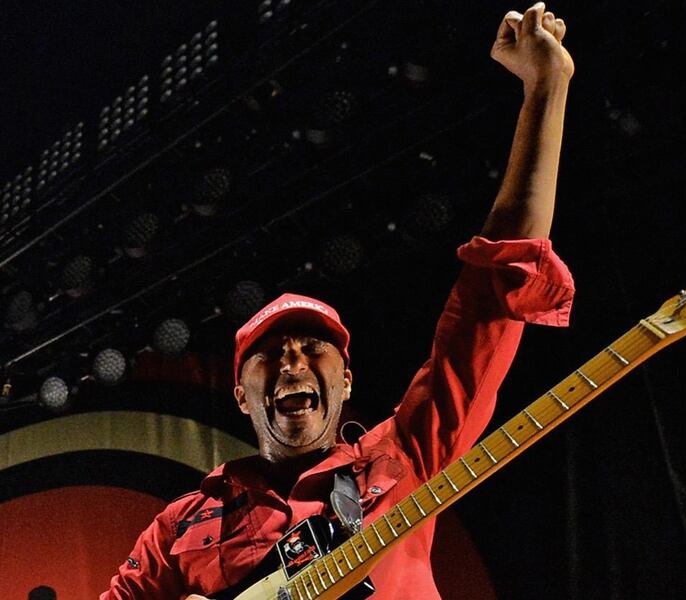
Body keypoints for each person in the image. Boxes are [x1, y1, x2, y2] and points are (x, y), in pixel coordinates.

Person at [101, 3, 576, 598]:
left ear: (346, 382)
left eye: (312, 347)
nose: (292, 360)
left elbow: (494, 290)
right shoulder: (181, 525)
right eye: (269, 353)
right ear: (243, 397)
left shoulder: (406, 457)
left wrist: (545, 88)